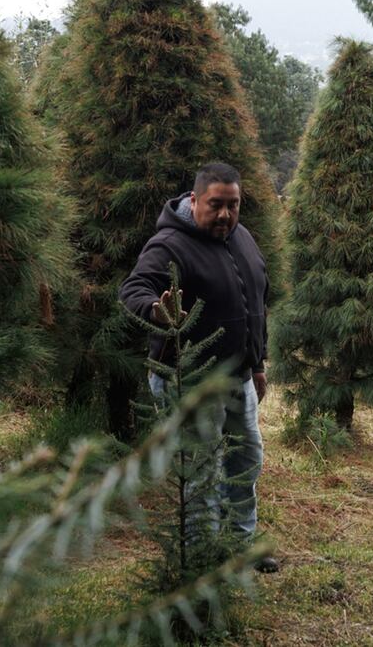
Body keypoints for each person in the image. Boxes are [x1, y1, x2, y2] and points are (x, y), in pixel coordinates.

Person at [120, 162, 278, 573]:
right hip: (189, 380)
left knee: (247, 461)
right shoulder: (170, 243)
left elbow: (256, 303)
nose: (225, 214)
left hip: (238, 378)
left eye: (233, 205)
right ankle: (203, 561)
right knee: (202, 474)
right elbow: (133, 289)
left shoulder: (241, 237)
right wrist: (157, 311)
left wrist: (256, 362)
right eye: (215, 205)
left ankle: (239, 546)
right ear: (194, 200)